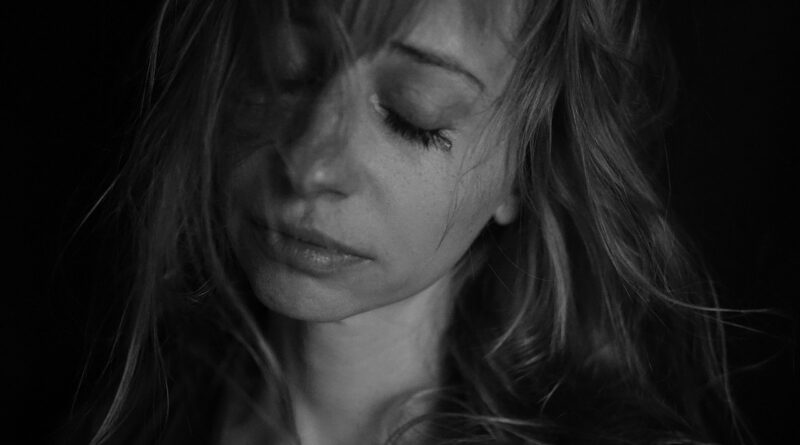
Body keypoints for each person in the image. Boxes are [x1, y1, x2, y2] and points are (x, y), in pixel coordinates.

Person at [78, 0, 749, 443]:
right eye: (287, 69)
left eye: (412, 116)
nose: (311, 164)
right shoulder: (116, 416)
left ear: (527, 168)